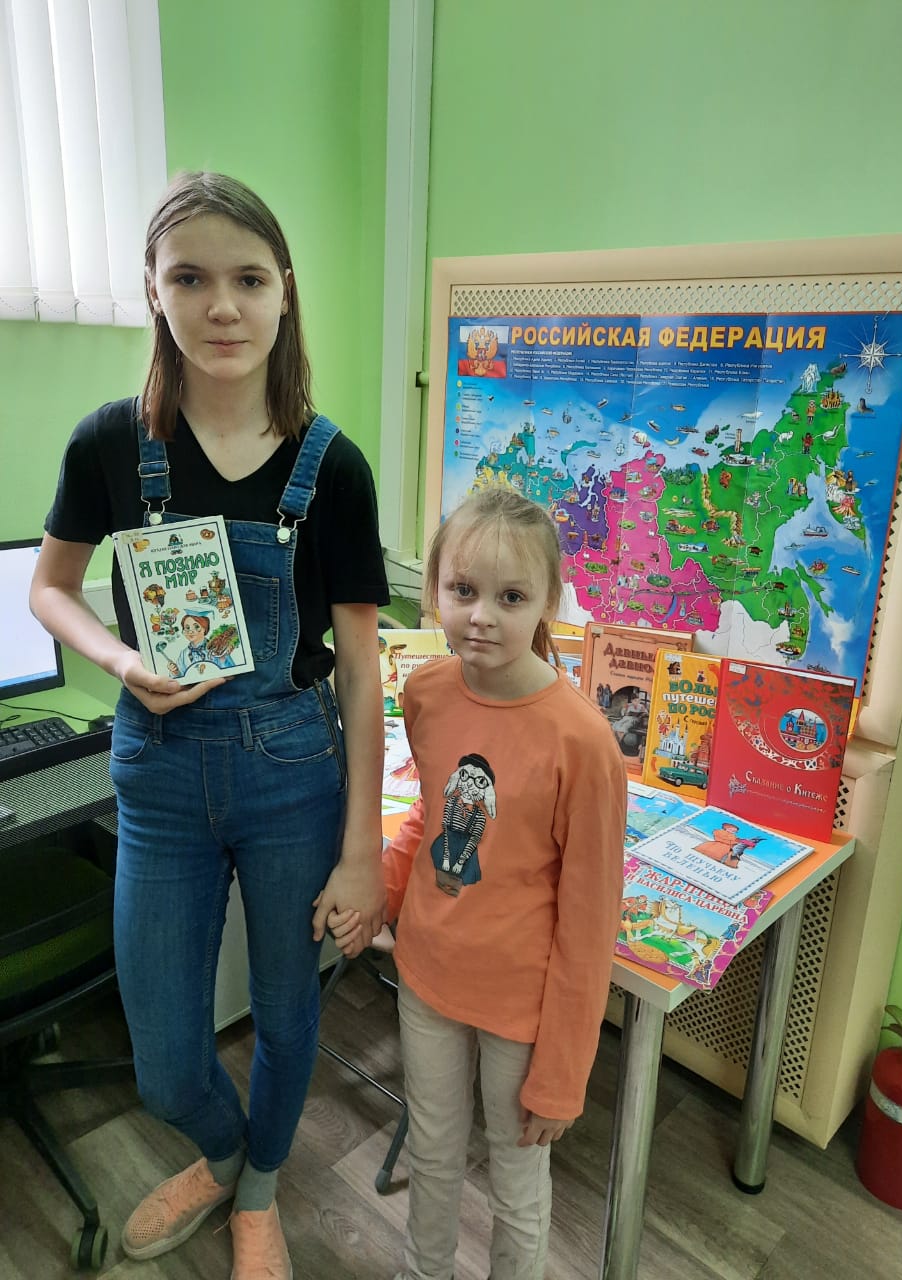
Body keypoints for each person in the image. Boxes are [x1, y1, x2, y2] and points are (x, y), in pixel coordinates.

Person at [29, 171, 390, 1279]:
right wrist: (119, 659)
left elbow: (362, 670)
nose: (222, 306)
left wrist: (364, 850)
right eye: (190, 278)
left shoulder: (334, 466)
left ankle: (260, 1196)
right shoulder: (109, 444)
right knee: (164, 1055)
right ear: (153, 289)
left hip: (295, 772)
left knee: (286, 1012)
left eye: (248, 279)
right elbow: (50, 589)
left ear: (285, 291)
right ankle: (226, 1153)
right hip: (158, 774)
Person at [330, 487, 627, 1280]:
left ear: (549, 603)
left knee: (517, 1186)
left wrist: (562, 1072)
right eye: (463, 590)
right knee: (431, 1153)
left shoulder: (583, 743)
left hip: (521, 1010)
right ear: (433, 588)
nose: (482, 617)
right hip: (428, 977)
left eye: (511, 597)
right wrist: (380, 893)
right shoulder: (426, 693)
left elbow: (590, 924)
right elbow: (428, 823)